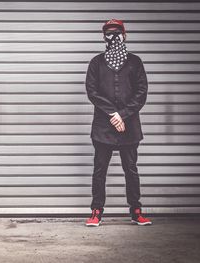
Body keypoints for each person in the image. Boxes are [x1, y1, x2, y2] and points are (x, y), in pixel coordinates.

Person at [85, 19, 152, 226]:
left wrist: (122, 114)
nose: (113, 37)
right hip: (103, 126)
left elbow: (141, 94)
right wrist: (113, 114)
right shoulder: (96, 62)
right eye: (109, 33)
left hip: (129, 126)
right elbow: (92, 92)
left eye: (117, 32)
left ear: (125, 35)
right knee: (99, 170)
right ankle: (96, 211)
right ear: (103, 37)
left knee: (130, 169)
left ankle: (136, 210)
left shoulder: (135, 62)